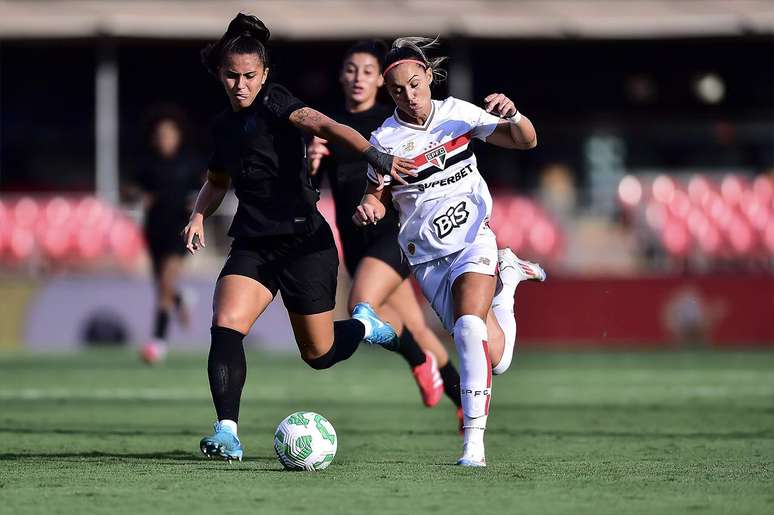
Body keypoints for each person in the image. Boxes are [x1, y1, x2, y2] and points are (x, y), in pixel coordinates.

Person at [183, 13, 414, 462]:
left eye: (250, 75)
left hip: (303, 241)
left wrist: (374, 153)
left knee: (319, 354)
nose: (241, 84)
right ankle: (227, 432)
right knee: (226, 323)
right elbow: (216, 179)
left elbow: (327, 126)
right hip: (253, 241)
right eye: (232, 76)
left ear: (264, 74)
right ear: (219, 75)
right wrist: (196, 216)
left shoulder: (276, 101)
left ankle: (365, 325)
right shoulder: (222, 127)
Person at [354, 37, 546, 467]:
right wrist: (369, 206)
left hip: (474, 239)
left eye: (416, 84)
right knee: (495, 359)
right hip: (427, 259)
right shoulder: (384, 139)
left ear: (429, 77)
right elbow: (376, 196)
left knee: (466, 331)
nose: (410, 95)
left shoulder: (457, 113)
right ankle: (509, 281)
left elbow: (525, 141)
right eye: (399, 89)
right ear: (389, 92)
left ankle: (472, 444)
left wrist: (515, 114)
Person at [308, 40, 463, 422]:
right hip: (355, 241)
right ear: (340, 75)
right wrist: (310, 162)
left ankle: (416, 360)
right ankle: (465, 406)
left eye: (367, 71)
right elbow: (310, 189)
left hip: (393, 235)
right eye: (350, 69)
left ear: (381, 79)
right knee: (416, 330)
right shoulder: (327, 127)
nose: (358, 78)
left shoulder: (389, 123)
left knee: (360, 308)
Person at [133, 107, 202, 363]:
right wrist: (140, 197)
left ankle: (157, 343)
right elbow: (131, 190)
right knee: (161, 284)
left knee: (164, 283)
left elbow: (207, 189)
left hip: (180, 229)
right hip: (154, 229)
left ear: (177, 136)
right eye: (160, 135)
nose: (164, 139)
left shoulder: (191, 163)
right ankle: (181, 297)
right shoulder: (147, 165)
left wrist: (196, 205)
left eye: (168, 134)